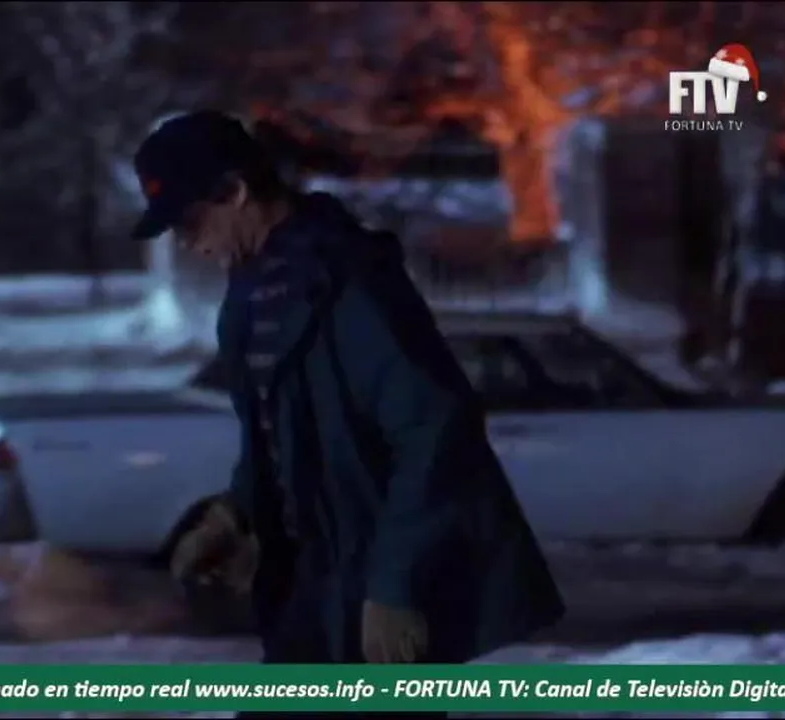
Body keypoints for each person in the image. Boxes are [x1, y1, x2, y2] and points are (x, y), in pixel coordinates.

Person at [130, 110, 563, 693]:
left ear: (234, 191)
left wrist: (396, 589)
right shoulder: (252, 292)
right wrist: (236, 513)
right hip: (310, 586)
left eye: (189, 221)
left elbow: (434, 428)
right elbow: (277, 430)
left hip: (371, 580)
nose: (187, 243)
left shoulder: (350, 281)